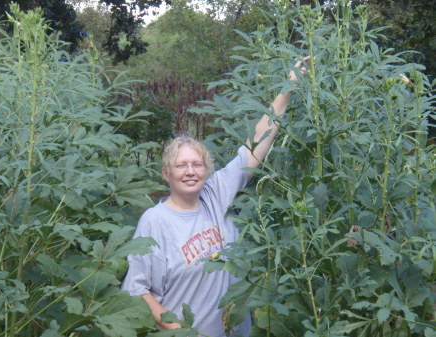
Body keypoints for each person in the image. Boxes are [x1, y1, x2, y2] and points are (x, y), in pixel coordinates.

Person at [121, 57, 309, 337]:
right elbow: (137, 292)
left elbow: (255, 145)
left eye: (197, 165)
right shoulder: (154, 222)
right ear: (166, 173)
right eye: (181, 165)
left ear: (207, 170)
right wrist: (182, 332)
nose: (190, 171)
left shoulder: (215, 194)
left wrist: (288, 88)